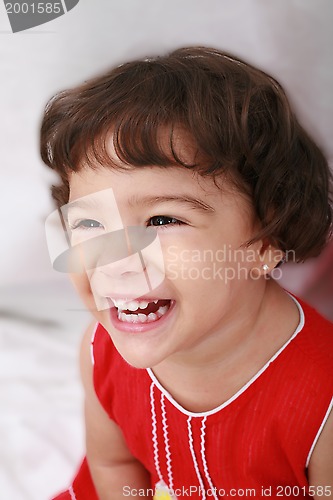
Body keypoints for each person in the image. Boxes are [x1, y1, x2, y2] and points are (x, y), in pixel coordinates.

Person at [40, 47, 333, 499]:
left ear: (266, 242)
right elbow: (113, 461)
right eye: (90, 224)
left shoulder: (324, 398)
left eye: (161, 221)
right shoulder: (101, 353)